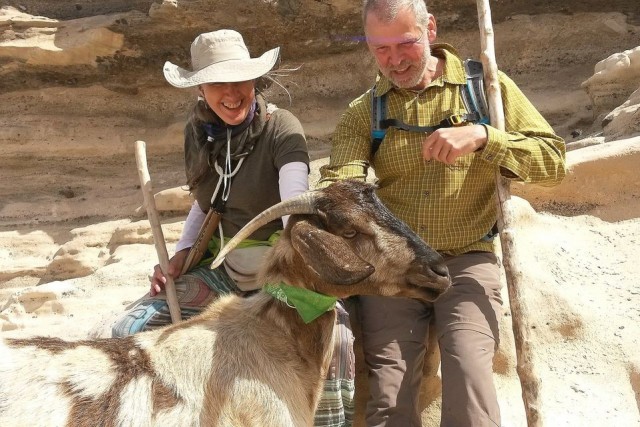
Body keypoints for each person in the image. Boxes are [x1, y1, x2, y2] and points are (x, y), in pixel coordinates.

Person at [318, 1, 566, 426]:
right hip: (394, 267)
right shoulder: (365, 111)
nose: (394, 60)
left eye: (406, 44)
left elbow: (554, 163)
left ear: (430, 28)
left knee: (471, 382)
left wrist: (485, 136)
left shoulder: (483, 88)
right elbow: (339, 181)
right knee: (389, 397)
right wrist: (338, 194)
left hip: (467, 259)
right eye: (380, 49)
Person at [112, 29, 355, 426]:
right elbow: (205, 203)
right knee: (130, 326)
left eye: (238, 80)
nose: (230, 93)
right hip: (225, 272)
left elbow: (295, 206)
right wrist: (181, 256)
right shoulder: (199, 132)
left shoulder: (282, 127)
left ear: (254, 80)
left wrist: (303, 278)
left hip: (282, 274)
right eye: (216, 84)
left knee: (338, 344)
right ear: (200, 89)